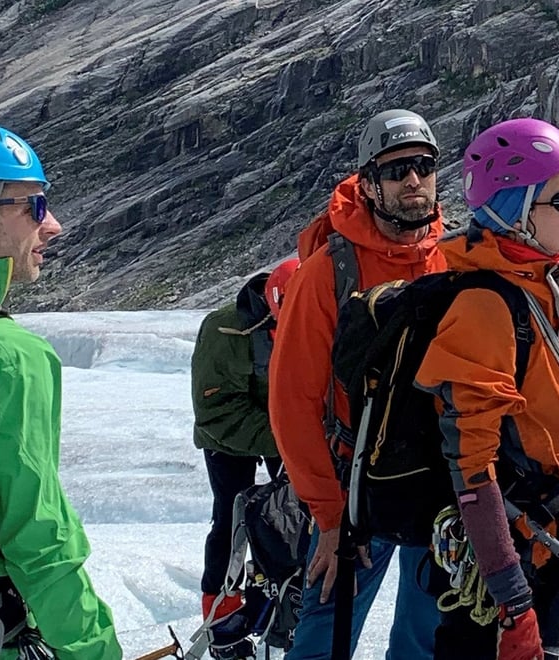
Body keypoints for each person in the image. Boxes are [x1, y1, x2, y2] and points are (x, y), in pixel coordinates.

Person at [413, 117, 559, 660]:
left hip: (542, 532)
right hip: (502, 552)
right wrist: (509, 596)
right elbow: (472, 464)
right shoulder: (485, 305)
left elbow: (555, 419)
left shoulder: (545, 287)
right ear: (514, 211)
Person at [268, 109, 447, 659]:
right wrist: (326, 515)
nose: (413, 180)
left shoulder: (448, 260)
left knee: (430, 634)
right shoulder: (329, 271)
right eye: (397, 171)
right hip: (355, 489)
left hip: (439, 479)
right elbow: (292, 402)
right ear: (369, 184)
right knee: (324, 639)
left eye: (423, 166)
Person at [0, 121, 122, 658]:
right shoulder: (6, 357)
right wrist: (95, 650)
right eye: (35, 206)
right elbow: (40, 541)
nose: (54, 226)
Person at [191, 258, 299, 628]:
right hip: (229, 434)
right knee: (231, 517)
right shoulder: (223, 330)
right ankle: (221, 613)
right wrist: (290, 435)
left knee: (293, 517)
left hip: (286, 424)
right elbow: (217, 409)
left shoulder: (316, 316)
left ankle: (280, 595)